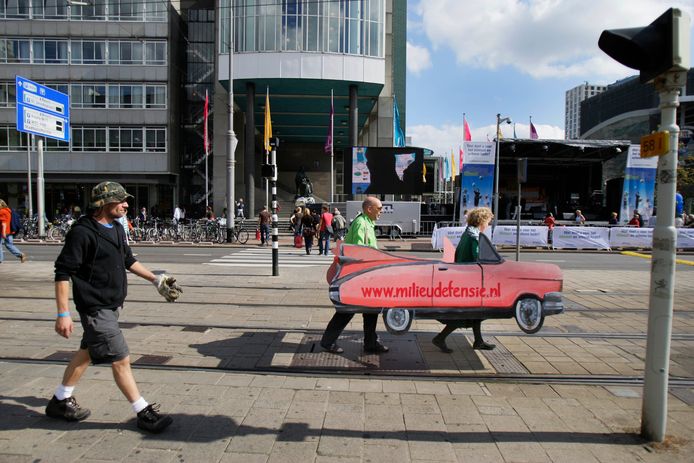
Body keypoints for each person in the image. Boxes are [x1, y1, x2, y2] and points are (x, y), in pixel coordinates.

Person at [46, 181, 176, 433]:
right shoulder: (82, 232)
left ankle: (60, 401)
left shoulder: (116, 228)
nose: (127, 204)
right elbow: (63, 272)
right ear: (103, 203)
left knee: (87, 352)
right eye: (121, 200)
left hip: (111, 306)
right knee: (120, 358)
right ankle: (143, 412)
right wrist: (63, 313)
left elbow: (127, 259)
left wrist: (155, 279)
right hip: (95, 308)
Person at [320, 197, 389, 354]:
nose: (382, 211)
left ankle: (370, 343)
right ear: (369, 209)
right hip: (356, 275)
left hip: (363, 275)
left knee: (371, 309)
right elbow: (359, 252)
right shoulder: (361, 224)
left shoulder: (367, 223)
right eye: (379, 208)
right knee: (348, 309)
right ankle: (328, 341)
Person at [432, 207, 496, 353]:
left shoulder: (468, 233)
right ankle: (440, 338)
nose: (488, 225)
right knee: (464, 315)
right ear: (482, 221)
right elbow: (477, 259)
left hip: (464, 278)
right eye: (488, 221)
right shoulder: (474, 237)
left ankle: (478, 341)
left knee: (475, 313)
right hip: (469, 281)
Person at [0, 199, 27, 264]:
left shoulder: (1, 211)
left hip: (3, 231)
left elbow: (3, 223)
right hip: (10, 231)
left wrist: (3, 233)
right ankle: (20, 254)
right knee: (9, 245)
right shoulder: (9, 210)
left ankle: (0, 260)